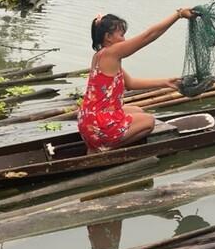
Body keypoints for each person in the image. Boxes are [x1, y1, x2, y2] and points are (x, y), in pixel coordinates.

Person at [78, 8, 196, 153]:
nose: (124, 39)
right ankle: (104, 149)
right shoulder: (112, 53)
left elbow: (131, 84)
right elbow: (149, 35)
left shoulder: (100, 56)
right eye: (121, 35)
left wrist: (166, 82)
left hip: (88, 121)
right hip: (98, 126)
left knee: (137, 110)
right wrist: (178, 15)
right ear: (108, 37)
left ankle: (98, 143)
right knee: (148, 121)